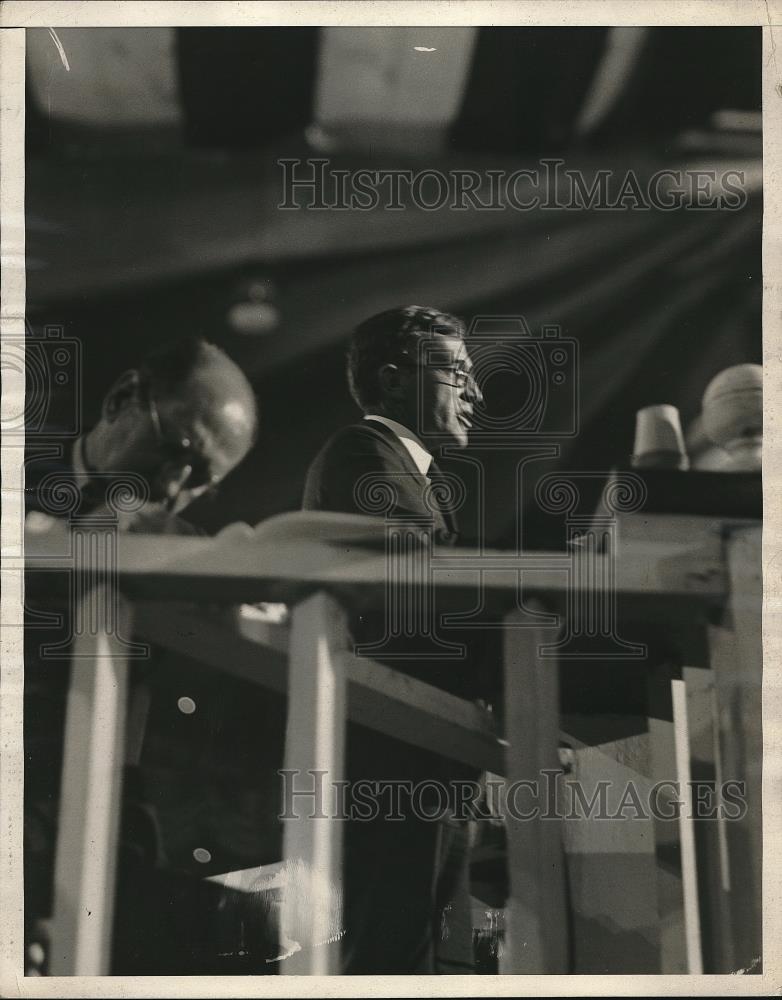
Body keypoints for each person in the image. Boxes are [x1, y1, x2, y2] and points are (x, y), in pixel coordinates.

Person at [24, 336, 266, 973]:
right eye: (177, 451)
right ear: (121, 399)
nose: (173, 486)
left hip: (84, 815)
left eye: (200, 483)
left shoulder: (177, 538)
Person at [302, 305, 488, 973]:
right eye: (458, 373)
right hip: (397, 750)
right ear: (393, 378)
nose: (476, 392)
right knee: (390, 956)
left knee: (410, 951)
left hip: (421, 748)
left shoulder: (414, 475)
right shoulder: (363, 453)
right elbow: (415, 591)